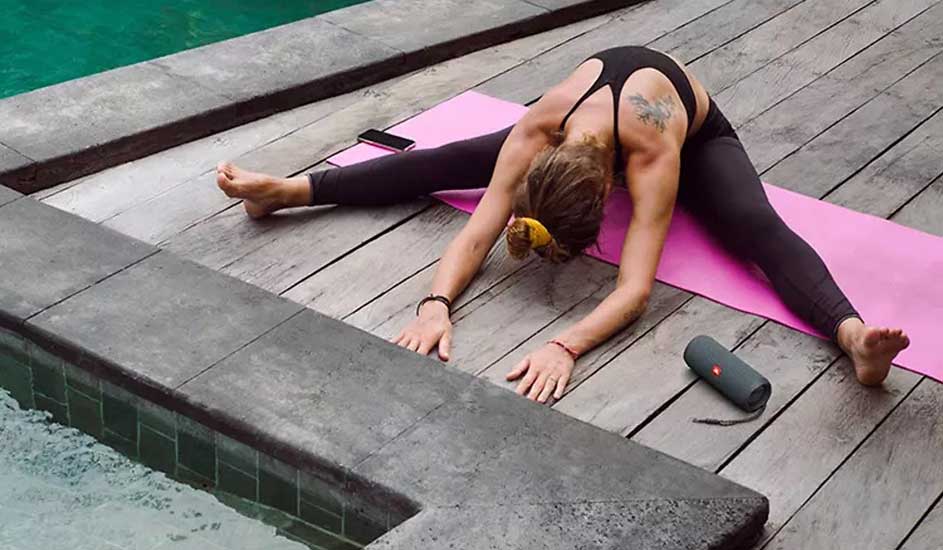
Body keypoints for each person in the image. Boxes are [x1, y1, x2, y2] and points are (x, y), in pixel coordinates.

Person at [216, 45, 909, 402]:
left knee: (752, 224)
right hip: (588, 128)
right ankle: (290, 190)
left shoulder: (651, 154)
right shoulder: (538, 128)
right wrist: (434, 303)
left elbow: (635, 288)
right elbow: (478, 229)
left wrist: (565, 345)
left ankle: (851, 336)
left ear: (609, 190)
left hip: (694, 136)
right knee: (453, 158)